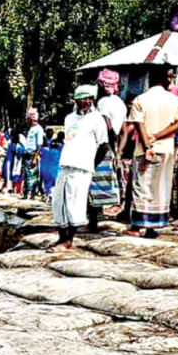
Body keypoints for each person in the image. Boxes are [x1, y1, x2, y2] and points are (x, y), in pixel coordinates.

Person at [119, 64, 178, 236]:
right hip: (166, 149)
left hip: (144, 149)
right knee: (161, 187)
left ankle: (137, 225)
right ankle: (153, 226)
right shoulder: (174, 100)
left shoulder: (141, 99)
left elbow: (139, 124)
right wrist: (159, 136)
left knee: (141, 186)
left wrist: (149, 143)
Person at [50, 85, 110, 251]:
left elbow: (104, 146)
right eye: (81, 99)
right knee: (58, 201)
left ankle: (68, 240)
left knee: (74, 203)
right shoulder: (69, 118)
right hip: (65, 163)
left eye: (88, 99)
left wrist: (91, 163)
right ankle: (61, 237)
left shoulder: (97, 119)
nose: (85, 102)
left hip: (82, 166)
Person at [89, 69, 128, 228]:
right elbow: (124, 130)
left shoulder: (102, 103)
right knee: (104, 183)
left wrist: (105, 143)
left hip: (101, 147)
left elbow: (107, 125)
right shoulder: (120, 103)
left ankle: (93, 221)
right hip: (113, 147)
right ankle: (95, 219)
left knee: (93, 183)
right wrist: (118, 152)